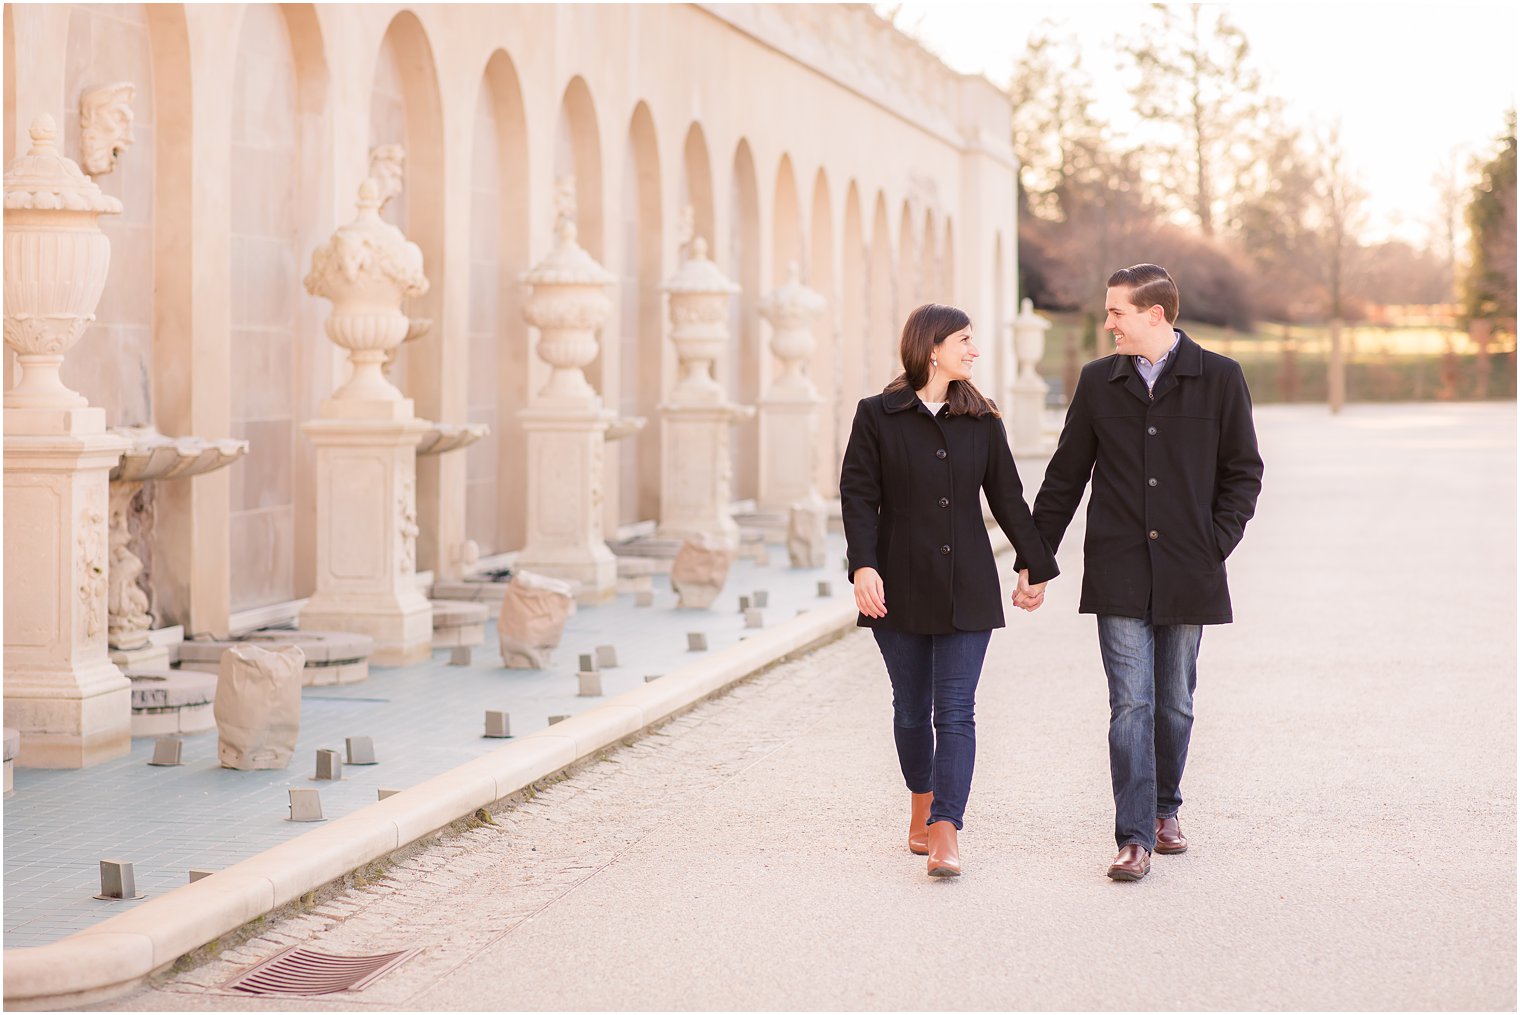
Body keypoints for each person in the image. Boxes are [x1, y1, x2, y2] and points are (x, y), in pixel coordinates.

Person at [1015, 264, 1264, 881]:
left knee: (1174, 703)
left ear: (1155, 315)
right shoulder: (1100, 382)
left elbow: (1244, 471)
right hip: (1119, 568)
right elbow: (1066, 476)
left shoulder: (1220, 378)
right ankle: (1133, 837)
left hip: (1190, 568)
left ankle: (1164, 808)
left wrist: (1215, 543)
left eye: (1117, 313)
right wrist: (1036, 559)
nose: (1108, 325)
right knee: (1131, 703)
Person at [840, 303, 1059, 878]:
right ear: (932, 346)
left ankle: (945, 829)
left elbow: (1008, 499)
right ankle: (920, 805)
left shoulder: (983, 420)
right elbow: (858, 497)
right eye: (964, 340)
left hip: (967, 587)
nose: (974, 350)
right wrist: (862, 566)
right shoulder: (876, 415)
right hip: (897, 586)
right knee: (911, 710)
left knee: (956, 711)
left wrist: (1033, 566)